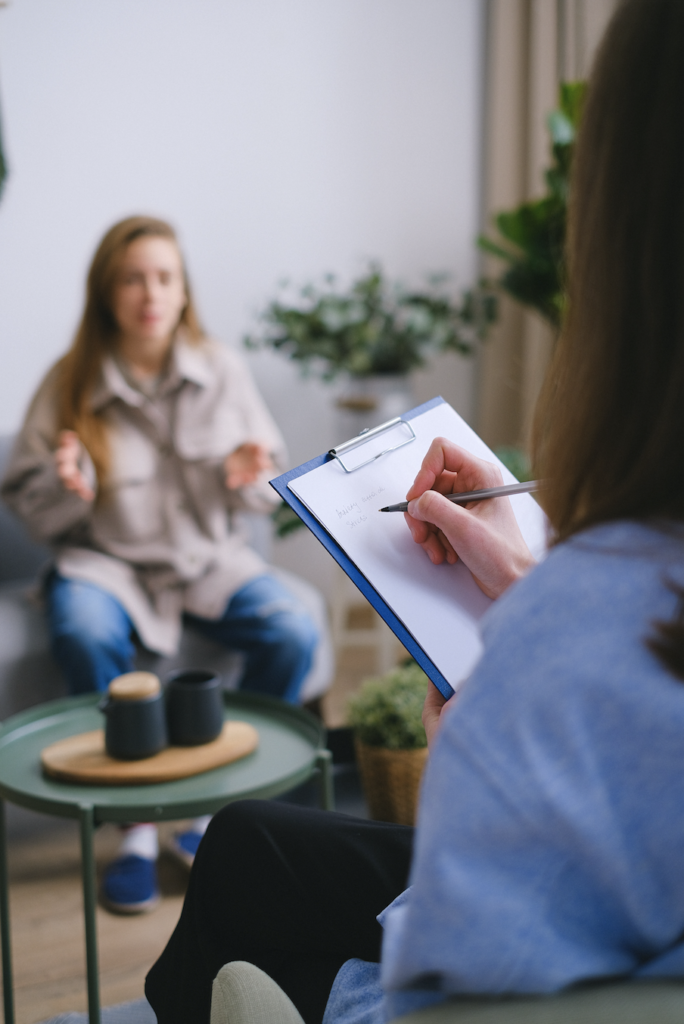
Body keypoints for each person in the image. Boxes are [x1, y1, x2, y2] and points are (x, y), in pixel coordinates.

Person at [144, 1, 684, 1021]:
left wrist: (461, 793)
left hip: (461, 949)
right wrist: (527, 583)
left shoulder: (569, 664)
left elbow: (421, 1004)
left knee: (240, 898)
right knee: (252, 837)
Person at [1, 215, 318, 913]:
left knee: (295, 631)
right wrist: (66, 485)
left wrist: (247, 478)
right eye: (133, 278)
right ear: (106, 293)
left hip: (206, 563)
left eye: (164, 277)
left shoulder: (223, 368)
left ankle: (215, 816)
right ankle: (136, 830)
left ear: (183, 291)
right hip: (105, 565)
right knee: (81, 627)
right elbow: (27, 501)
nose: (150, 292)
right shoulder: (70, 379)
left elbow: (266, 493)